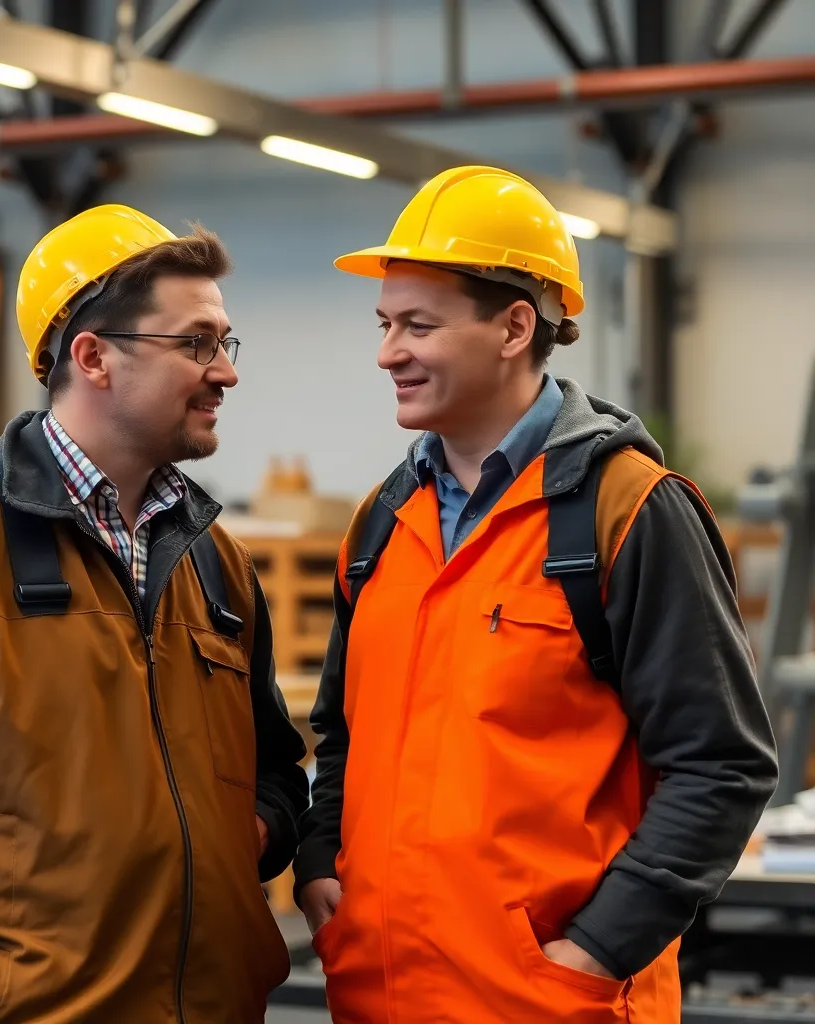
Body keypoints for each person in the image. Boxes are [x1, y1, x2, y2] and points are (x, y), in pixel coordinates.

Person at [293, 166, 777, 1023]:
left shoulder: (627, 513)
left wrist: (595, 949)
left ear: (516, 325)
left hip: (548, 1001)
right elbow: (341, 730)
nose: (387, 352)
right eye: (384, 323)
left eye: (417, 325)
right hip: (377, 994)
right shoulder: (381, 523)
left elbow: (722, 764)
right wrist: (325, 862)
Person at [0, 204, 309, 1024]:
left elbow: (277, 772)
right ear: (94, 357)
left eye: (226, 343)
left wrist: (240, 839)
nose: (225, 371)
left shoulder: (215, 559)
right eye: (196, 343)